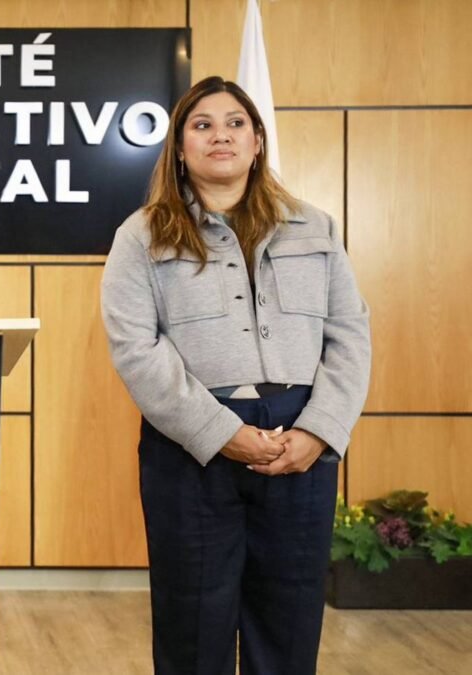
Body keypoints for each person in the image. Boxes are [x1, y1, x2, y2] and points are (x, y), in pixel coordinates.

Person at [100, 77, 371, 674]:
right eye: (202, 125)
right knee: (193, 624)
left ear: (257, 141)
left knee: (290, 621)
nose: (219, 135)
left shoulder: (315, 227)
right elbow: (137, 350)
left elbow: (350, 335)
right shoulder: (141, 236)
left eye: (234, 123)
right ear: (179, 148)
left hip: (300, 442)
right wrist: (223, 434)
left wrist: (319, 431)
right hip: (190, 447)